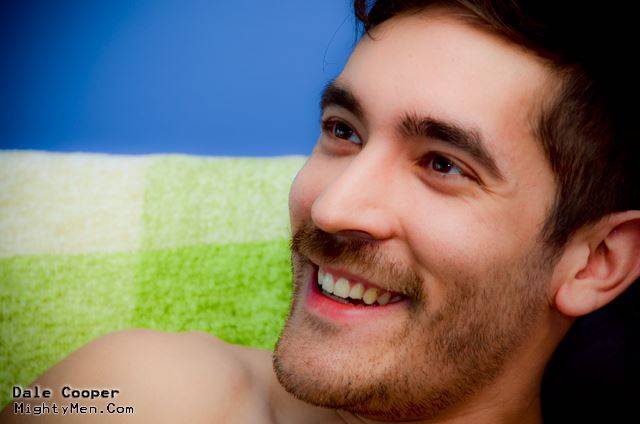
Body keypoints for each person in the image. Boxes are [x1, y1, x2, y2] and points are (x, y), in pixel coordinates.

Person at [2, 1, 638, 423]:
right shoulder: (129, 393)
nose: (332, 208)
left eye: (444, 164)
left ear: (596, 263)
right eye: (343, 130)